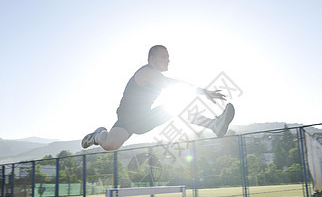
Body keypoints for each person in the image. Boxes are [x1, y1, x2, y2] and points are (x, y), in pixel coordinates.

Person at [82, 45, 235, 151]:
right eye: (164, 57)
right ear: (152, 58)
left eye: (168, 57)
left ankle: (214, 124)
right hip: (127, 119)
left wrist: (203, 91)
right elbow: (171, 84)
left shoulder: (156, 74)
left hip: (144, 118)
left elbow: (173, 83)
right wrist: (204, 92)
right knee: (110, 145)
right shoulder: (146, 73)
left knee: (176, 107)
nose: (168, 60)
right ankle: (98, 135)